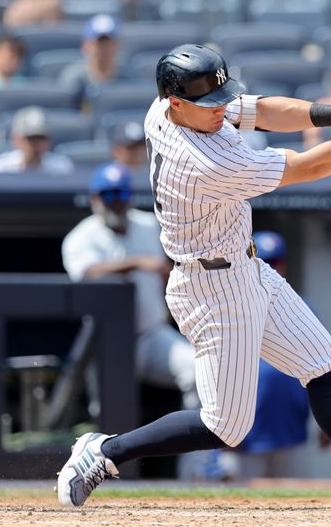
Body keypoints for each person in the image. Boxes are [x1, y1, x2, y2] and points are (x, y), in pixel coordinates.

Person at [55, 43, 331, 510]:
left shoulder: (168, 108)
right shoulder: (204, 164)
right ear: (176, 102)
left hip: (246, 267)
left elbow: (261, 109)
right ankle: (103, 451)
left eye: (222, 98)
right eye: (209, 105)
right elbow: (309, 167)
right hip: (211, 290)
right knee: (225, 426)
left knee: (324, 364)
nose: (221, 109)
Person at [61, 162, 230, 480]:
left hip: (151, 335)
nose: (115, 201)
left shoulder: (149, 225)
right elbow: (86, 273)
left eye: (120, 194)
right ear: (95, 198)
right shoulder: (80, 237)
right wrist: (137, 264)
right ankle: (97, 475)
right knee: (108, 412)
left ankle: (196, 471)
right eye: (107, 195)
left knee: (200, 374)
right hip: (106, 344)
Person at [237, 231, 316, 479]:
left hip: (290, 429)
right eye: (265, 262)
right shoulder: (233, 308)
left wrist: (326, 420)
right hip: (244, 434)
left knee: (292, 509)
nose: (271, 269)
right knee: (238, 511)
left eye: (276, 263)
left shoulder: (301, 307)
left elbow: (320, 365)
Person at [59, 14, 122, 111]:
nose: (104, 49)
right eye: (99, 43)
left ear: (117, 45)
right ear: (86, 45)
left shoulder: (126, 77)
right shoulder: (74, 78)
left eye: (108, 43)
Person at [0, 106, 74, 175]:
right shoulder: (0, 168)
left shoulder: (62, 168)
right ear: (16, 139)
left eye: (40, 138)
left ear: (49, 140)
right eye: (30, 138)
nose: (36, 143)